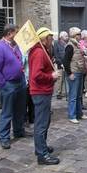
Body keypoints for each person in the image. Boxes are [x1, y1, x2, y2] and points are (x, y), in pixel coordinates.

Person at [0, 24, 26, 149]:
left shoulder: (15, 46)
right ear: (10, 33)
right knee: (7, 112)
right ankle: (4, 137)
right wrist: (3, 85)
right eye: (17, 32)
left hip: (20, 81)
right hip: (9, 84)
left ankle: (19, 131)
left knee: (20, 110)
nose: (18, 35)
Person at [29, 27, 61, 165]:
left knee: (44, 122)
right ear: (44, 39)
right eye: (50, 37)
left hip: (43, 91)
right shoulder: (39, 53)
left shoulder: (42, 51)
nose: (52, 39)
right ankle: (42, 155)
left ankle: (41, 148)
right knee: (41, 123)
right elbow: (36, 75)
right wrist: (51, 76)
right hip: (40, 92)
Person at [63, 27, 87, 124]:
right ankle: (72, 115)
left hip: (79, 71)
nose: (80, 36)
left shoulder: (78, 45)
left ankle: (79, 113)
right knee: (73, 96)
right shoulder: (70, 46)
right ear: (74, 35)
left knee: (78, 95)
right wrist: (70, 73)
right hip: (74, 72)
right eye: (79, 34)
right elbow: (66, 61)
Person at [53, 31, 69, 99]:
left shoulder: (67, 43)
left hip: (67, 64)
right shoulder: (57, 43)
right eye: (66, 36)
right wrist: (61, 63)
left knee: (67, 79)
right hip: (60, 64)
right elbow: (56, 55)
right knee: (60, 79)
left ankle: (67, 92)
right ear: (61, 37)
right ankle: (59, 93)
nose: (67, 37)